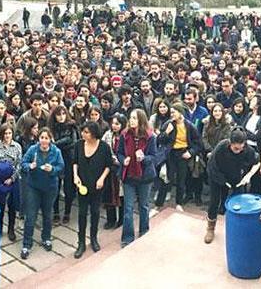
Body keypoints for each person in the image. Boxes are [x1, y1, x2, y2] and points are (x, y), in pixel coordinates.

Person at [204, 130, 259, 244]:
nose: (238, 151)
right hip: (217, 175)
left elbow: (257, 162)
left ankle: (240, 230)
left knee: (240, 202)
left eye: (241, 148)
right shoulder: (221, 147)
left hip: (236, 177)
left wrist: (248, 176)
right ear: (230, 143)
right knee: (214, 201)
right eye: (235, 149)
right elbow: (211, 167)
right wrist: (224, 182)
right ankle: (210, 228)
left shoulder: (247, 150)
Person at [118, 109, 161, 247]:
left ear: (141, 120)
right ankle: (127, 237)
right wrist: (123, 159)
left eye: (134, 118)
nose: (131, 121)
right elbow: (119, 153)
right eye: (130, 118)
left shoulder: (150, 137)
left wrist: (144, 158)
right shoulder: (124, 135)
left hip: (144, 177)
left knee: (143, 206)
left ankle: (144, 231)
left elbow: (154, 157)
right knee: (128, 208)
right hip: (129, 176)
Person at [20, 128, 65, 259]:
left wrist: (52, 169)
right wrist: (29, 166)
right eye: (42, 138)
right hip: (33, 187)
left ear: (50, 139)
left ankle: (46, 238)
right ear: (38, 139)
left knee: (47, 214)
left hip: (50, 188)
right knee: (31, 216)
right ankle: (26, 244)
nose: (44, 140)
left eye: (46, 138)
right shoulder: (32, 149)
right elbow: (23, 163)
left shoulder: (56, 151)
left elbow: (61, 167)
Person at [72, 121, 113, 258]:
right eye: (83, 131)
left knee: (95, 212)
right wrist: (75, 176)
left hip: (97, 185)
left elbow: (108, 165)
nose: (83, 134)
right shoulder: (79, 145)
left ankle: (94, 238)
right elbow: (75, 162)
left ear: (94, 133)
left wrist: (102, 178)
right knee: (82, 213)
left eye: (86, 132)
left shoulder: (104, 147)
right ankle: (81, 242)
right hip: (82, 185)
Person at [155, 103, 203, 210]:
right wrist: (166, 132)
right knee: (167, 179)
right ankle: (158, 204)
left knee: (181, 181)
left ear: (180, 113)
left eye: (173, 112)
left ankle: (179, 203)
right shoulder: (169, 124)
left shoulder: (189, 126)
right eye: (171, 112)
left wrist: (190, 152)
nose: (171, 114)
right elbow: (159, 140)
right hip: (171, 154)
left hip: (183, 154)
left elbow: (198, 144)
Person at [0, 124, 22, 240]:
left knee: (12, 206)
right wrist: (0, 174)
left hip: (13, 179)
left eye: (9, 133)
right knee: (0, 205)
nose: (7, 136)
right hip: (0, 180)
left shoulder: (17, 146)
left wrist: (12, 178)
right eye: (5, 133)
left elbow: (19, 165)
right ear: (1, 134)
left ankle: (11, 229)